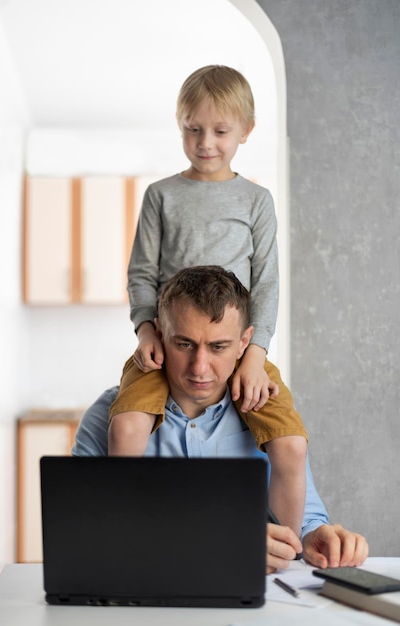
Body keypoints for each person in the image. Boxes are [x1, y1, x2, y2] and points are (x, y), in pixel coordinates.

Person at [109, 65, 308, 537]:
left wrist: (254, 357)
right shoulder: (161, 196)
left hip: (237, 349)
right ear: (179, 125)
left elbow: (267, 284)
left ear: (246, 131)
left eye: (220, 131)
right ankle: (121, 537)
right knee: (125, 430)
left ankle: (286, 555)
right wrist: (146, 331)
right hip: (167, 342)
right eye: (192, 129)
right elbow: (141, 272)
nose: (205, 143)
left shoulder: (256, 200)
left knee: (291, 445)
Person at [73, 266, 369, 574]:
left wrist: (314, 538)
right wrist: (220, 543)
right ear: (159, 335)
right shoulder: (106, 416)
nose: (200, 368)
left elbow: (305, 518)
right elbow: (81, 534)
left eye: (219, 347)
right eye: (184, 344)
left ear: (244, 343)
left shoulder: (269, 415)